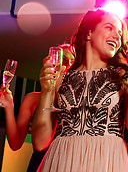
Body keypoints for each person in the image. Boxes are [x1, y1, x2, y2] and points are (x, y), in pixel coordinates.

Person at [32, 9, 128, 172]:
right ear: (88, 33)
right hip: (62, 161)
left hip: (106, 161)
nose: (116, 36)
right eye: (109, 28)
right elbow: (39, 142)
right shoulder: (61, 79)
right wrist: (46, 91)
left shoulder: (123, 76)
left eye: (119, 33)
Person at [0, 43, 74, 172]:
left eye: (68, 61)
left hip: (66, 164)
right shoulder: (32, 99)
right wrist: (9, 107)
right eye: (59, 59)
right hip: (39, 165)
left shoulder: (76, 102)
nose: (63, 65)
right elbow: (15, 143)